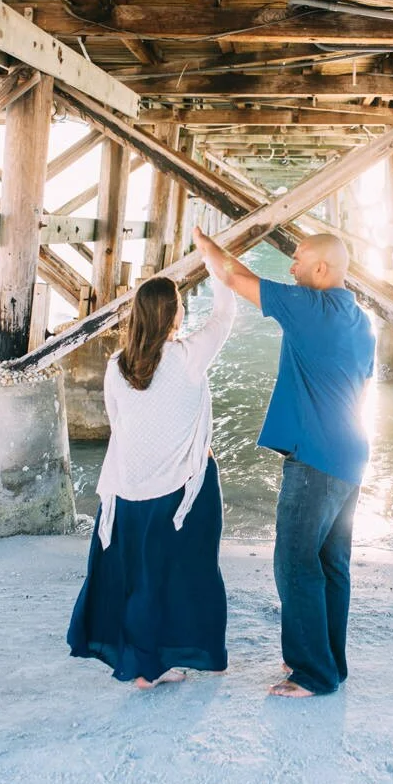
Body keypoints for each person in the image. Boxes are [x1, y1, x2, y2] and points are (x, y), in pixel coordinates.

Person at [192, 226, 375, 699]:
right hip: (350, 454)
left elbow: (235, 276)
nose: (290, 268)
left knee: (294, 561)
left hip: (315, 458)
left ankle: (312, 672)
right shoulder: (358, 319)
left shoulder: (308, 309)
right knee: (331, 562)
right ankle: (329, 660)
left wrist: (204, 243)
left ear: (322, 268)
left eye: (297, 260)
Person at [67, 272, 236, 689]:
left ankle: (149, 663)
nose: (183, 305)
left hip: (131, 490)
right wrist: (218, 269)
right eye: (179, 300)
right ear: (171, 313)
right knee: (194, 571)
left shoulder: (116, 367)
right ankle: (196, 655)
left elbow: (118, 425)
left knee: (144, 579)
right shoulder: (188, 356)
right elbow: (225, 314)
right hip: (186, 490)